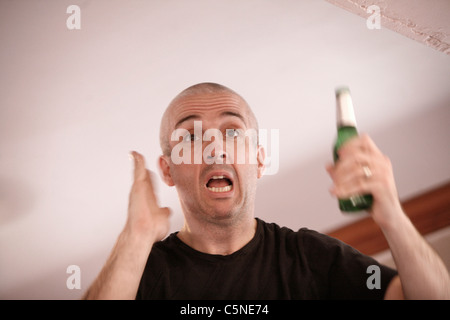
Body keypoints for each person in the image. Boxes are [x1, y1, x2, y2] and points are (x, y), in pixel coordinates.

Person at [83, 82, 450, 300]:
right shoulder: (142, 275)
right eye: (191, 136)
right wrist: (135, 238)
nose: (216, 148)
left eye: (232, 132)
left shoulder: (311, 258)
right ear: (167, 170)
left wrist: (393, 217)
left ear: (258, 161)